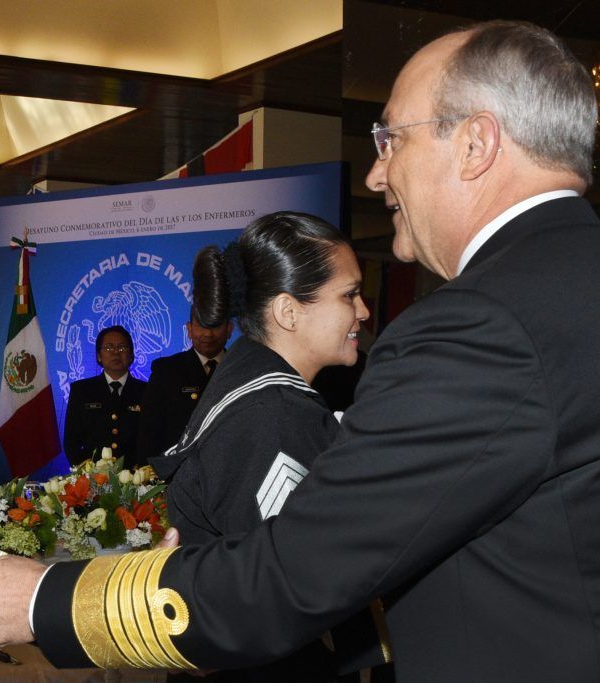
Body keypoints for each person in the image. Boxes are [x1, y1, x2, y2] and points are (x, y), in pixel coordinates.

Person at [0, 21, 600, 682]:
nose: (374, 174)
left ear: (476, 143)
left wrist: (48, 600)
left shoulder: (480, 324)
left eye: (391, 138)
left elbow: (295, 575)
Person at [150, 212, 375, 682]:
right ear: (288, 311)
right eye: (349, 295)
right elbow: (284, 588)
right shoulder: (275, 411)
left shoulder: (250, 374)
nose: (363, 312)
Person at [134, 309, 232, 468]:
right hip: (179, 474)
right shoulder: (166, 370)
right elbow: (149, 431)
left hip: (228, 472)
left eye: (215, 326)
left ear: (229, 330)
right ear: (189, 329)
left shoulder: (241, 370)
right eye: (201, 326)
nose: (208, 334)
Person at [62, 325, 146, 466]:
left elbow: (153, 438)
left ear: (131, 355)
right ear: (99, 356)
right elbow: (71, 442)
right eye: (108, 348)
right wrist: (87, 474)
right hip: (94, 480)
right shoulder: (81, 391)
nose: (115, 353)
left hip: (137, 478)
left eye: (122, 348)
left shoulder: (147, 391)